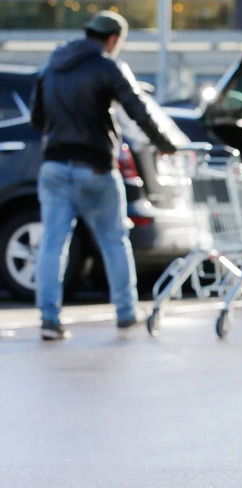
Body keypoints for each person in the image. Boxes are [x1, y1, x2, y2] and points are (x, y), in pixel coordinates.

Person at [30, 11, 180, 341]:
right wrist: (166, 144)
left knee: (52, 245)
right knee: (114, 240)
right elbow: (138, 109)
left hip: (54, 166)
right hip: (95, 167)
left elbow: (36, 117)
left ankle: (49, 319)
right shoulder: (107, 66)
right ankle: (126, 312)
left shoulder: (53, 64)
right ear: (113, 39)